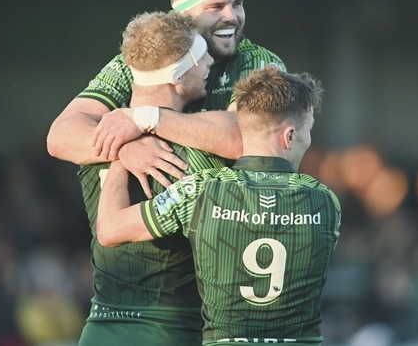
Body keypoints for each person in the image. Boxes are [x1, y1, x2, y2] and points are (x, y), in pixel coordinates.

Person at [96, 66, 341, 346]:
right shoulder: (324, 200)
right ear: (288, 137)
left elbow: (109, 229)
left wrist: (121, 151)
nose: (308, 140)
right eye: (306, 131)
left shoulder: (201, 190)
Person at [47, 0, 285, 195]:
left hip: (224, 222)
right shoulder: (140, 60)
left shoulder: (258, 63)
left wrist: (145, 119)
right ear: (182, 14)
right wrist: (124, 147)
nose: (232, 17)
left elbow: (245, 141)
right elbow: (60, 136)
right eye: (216, 7)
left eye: (237, 4)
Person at [78, 11, 227, 346]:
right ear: (176, 77)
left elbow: (58, 136)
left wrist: (126, 142)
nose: (208, 63)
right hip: (169, 330)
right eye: (200, 56)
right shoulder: (198, 151)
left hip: (100, 327)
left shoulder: (93, 146)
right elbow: (246, 137)